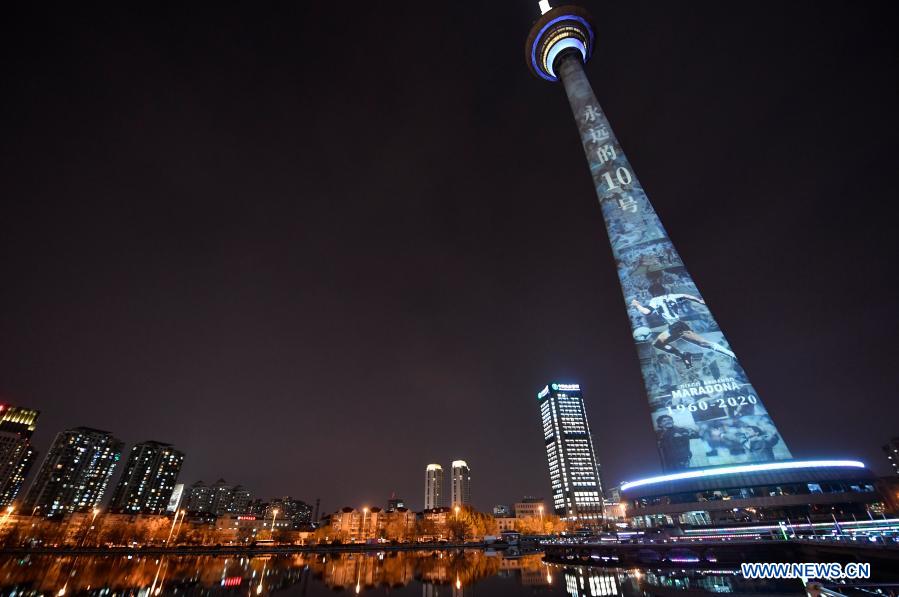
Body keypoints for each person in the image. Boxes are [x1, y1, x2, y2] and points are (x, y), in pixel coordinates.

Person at [630, 288, 735, 369]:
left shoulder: (655, 300)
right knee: (657, 343)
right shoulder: (672, 296)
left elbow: (646, 312)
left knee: (704, 343)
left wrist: (637, 305)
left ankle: (732, 354)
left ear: (652, 293)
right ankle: (683, 354)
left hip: (677, 327)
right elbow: (685, 295)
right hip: (675, 326)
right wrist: (699, 300)